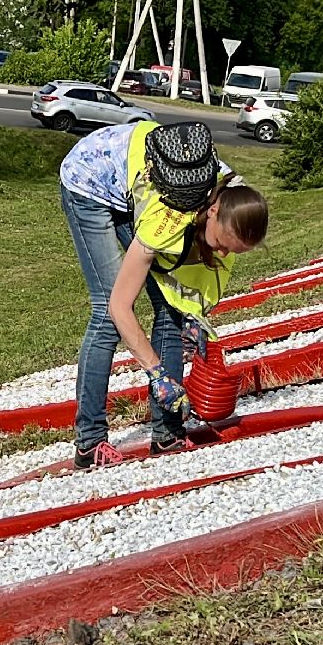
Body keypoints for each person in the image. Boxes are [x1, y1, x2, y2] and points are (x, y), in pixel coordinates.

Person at [59, 119, 269, 469]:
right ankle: (90, 441)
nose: (221, 254)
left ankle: (167, 432)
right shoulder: (169, 218)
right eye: (219, 244)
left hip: (137, 179)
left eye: (232, 252)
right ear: (211, 213)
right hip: (91, 178)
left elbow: (191, 285)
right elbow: (120, 306)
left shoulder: (236, 200)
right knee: (106, 315)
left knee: (172, 312)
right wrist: (157, 373)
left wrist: (194, 315)